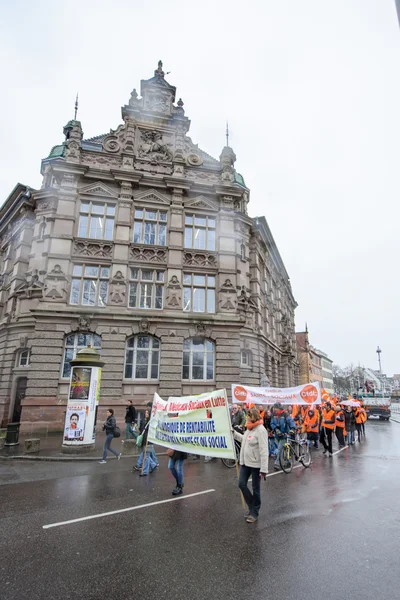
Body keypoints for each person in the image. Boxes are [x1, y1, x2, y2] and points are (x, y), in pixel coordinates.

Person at [233, 408, 269, 523]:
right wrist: (233, 433)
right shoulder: (249, 428)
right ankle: (252, 505)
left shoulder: (261, 430)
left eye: (248, 418)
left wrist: (264, 469)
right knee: (241, 484)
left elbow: (264, 450)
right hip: (245, 463)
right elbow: (244, 439)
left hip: (256, 464)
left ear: (253, 418)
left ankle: (254, 512)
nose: (246, 420)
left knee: (255, 489)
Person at [270, 405, 296, 470]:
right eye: (274, 409)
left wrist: (292, 428)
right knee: (284, 449)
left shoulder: (285, 414)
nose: (275, 410)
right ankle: (288, 462)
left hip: (284, 435)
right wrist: (275, 429)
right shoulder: (273, 415)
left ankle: (277, 464)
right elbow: (272, 423)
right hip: (277, 435)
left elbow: (290, 421)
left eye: (276, 409)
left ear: (280, 409)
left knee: (279, 449)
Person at [134, 409, 159, 475]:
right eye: (145, 412)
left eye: (147, 413)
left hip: (149, 441)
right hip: (144, 441)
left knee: (146, 456)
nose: (146, 414)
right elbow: (141, 429)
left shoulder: (152, 422)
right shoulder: (145, 421)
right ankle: (153, 465)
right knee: (146, 455)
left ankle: (145, 472)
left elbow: (152, 432)